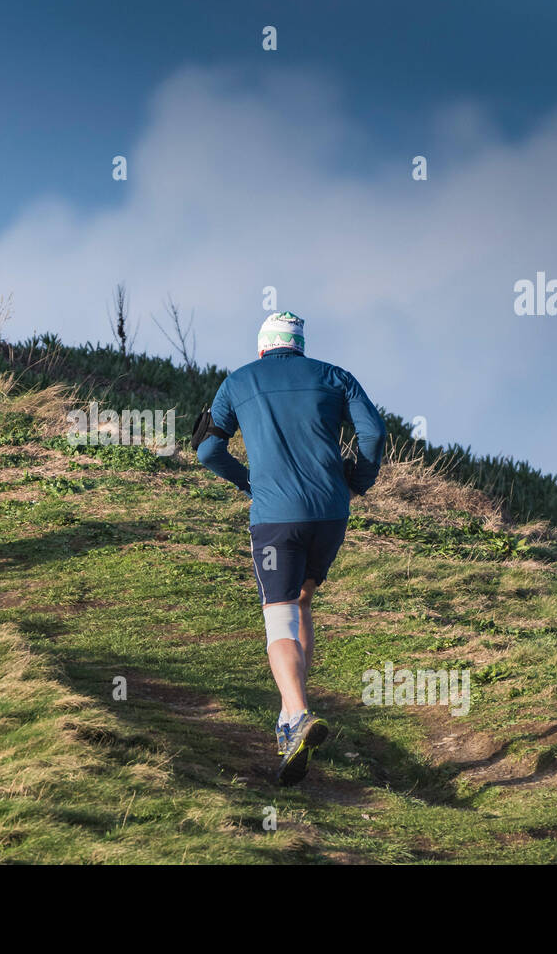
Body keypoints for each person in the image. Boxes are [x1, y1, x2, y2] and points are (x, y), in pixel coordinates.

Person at [196, 312, 387, 786]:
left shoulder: (238, 381)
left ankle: (298, 714)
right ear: (299, 346)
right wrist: (357, 482)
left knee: (277, 611)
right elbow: (375, 434)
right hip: (330, 513)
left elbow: (205, 450)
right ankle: (288, 721)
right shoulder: (334, 376)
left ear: (263, 347)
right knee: (302, 600)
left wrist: (250, 483)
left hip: (277, 516)